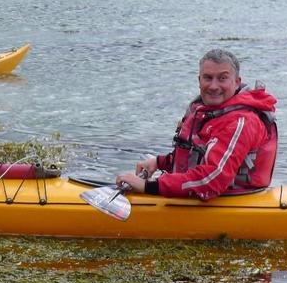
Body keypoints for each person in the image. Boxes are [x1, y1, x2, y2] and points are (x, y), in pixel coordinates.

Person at [116, 48, 278, 201]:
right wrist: (159, 162)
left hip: (233, 200)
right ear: (199, 80)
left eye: (222, 78)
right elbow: (197, 156)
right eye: (208, 77)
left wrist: (148, 186)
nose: (214, 86)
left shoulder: (241, 121)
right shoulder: (206, 111)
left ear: (236, 82)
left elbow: (212, 180)